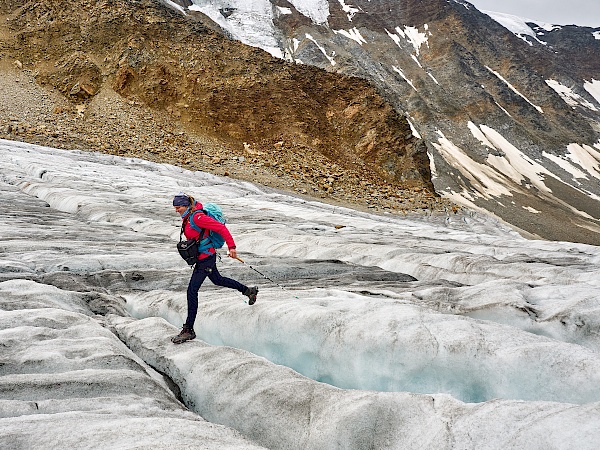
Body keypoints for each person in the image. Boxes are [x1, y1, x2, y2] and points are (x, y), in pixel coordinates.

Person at [171, 193, 258, 344]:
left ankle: (188, 329)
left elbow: (220, 228)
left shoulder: (198, 217)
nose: (176, 210)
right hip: (204, 257)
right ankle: (248, 290)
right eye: (175, 207)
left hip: (206, 259)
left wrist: (232, 247)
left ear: (186, 206)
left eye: (178, 207)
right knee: (218, 280)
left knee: (192, 291)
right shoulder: (188, 217)